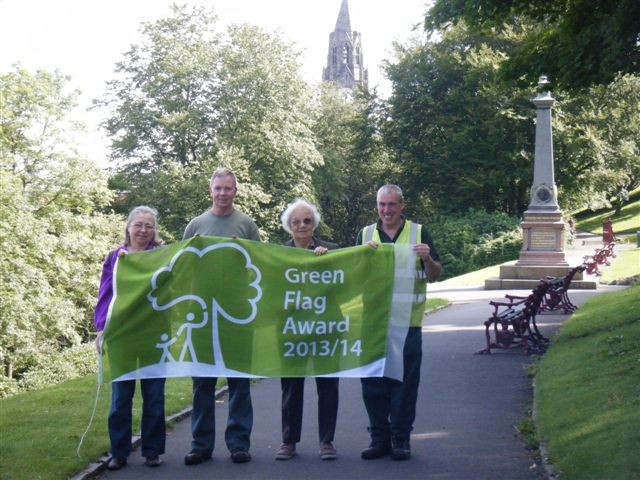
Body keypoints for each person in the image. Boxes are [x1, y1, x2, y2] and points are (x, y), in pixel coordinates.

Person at [356, 184, 442, 461]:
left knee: (404, 384)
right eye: (382, 205)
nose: (386, 210)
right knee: (373, 384)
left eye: (391, 205)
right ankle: (378, 438)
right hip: (373, 324)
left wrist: (427, 258)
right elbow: (353, 275)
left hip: (408, 323)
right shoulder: (366, 235)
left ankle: (401, 438)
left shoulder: (418, 232)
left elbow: (435, 274)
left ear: (402, 205)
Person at [182, 167, 261, 465]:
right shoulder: (195, 225)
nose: (223, 193)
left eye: (228, 188)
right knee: (202, 383)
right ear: (210, 190)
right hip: (202, 317)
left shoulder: (246, 225)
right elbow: (182, 266)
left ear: (235, 191)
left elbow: (261, 265)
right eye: (218, 188)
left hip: (238, 316)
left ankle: (239, 444)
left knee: (239, 382)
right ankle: (200, 445)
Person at [94, 206, 166, 470]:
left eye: (149, 226)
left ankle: (152, 451)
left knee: (154, 395)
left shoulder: (160, 256)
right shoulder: (115, 257)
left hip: (153, 335)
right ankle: (119, 452)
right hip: (122, 335)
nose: (144, 231)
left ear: (154, 230)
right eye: (139, 225)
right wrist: (101, 328)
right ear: (128, 227)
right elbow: (106, 294)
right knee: (121, 397)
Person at [275, 199, 340, 461]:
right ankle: (288, 441)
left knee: (328, 385)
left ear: (314, 224)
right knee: (291, 386)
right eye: (296, 222)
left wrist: (329, 263)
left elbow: (348, 281)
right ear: (288, 227)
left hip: (326, 327)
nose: (302, 225)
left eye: (307, 221)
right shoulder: (277, 255)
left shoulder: (333, 250)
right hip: (292, 329)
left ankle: (327, 441)